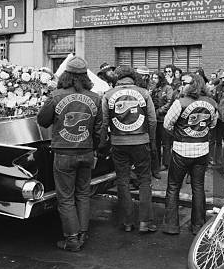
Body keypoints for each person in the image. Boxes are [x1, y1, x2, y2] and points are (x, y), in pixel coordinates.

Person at [37, 57, 102, 252]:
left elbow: (43, 120)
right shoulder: (95, 98)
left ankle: (72, 240)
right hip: (87, 151)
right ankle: (82, 233)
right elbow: (99, 130)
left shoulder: (56, 96)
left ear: (66, 74)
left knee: (65, 198)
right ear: (85, 76)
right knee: (83, 194)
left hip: (64, 153)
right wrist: (93, 147)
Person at [101, 65, 157, 233]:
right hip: (141, 141)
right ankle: (145, 222)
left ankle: (127, 222)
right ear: (133, 76)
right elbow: (152, 120)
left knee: (123, 181)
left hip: (118, 142)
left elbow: (104, 122)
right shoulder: (144, 93)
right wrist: (152, 141)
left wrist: (103, 142)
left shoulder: (108, 95)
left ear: (116, 77)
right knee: (144, 180)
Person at [162, 73, 218, 235]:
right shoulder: (212, 103)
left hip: (181, 150)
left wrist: (178, 134)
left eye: (185, 82)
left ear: (193, 85)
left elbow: (167, 124)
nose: (182, 85)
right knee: (198, 187)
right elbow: (213, 125)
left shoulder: (180, 103)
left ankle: (171, 225)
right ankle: (198, 225)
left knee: (173, 187)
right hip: (202, 151)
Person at [149, 71, 173, 179]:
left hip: (164, 119)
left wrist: (159, 111)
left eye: (156, 78)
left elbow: (170, 102)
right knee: (156, 144)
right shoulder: (153, 89)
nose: (154, 79)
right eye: (153, 77)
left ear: (160, 78)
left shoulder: (167, 88)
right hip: (155, 120)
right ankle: (157, 164)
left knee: (166, 143)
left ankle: (166, 163)